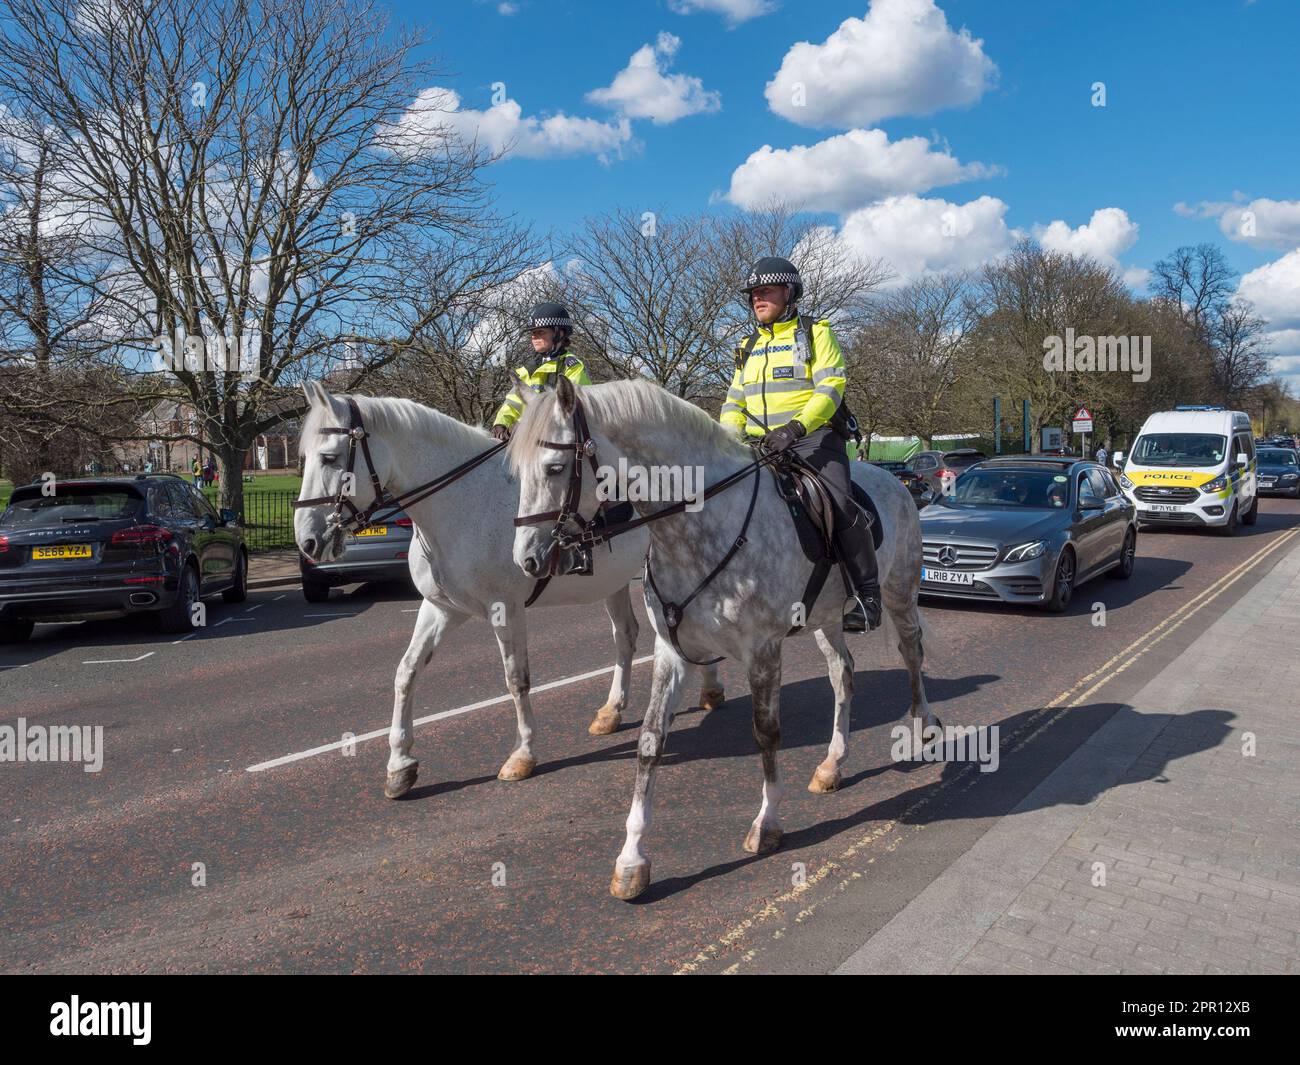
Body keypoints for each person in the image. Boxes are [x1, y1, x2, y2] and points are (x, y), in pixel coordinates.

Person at [721, 255, 881, 633]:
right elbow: (733, 402)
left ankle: (868, 595)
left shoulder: (816, 333)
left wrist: (795, 428)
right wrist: (726, 439)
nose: (757, 299)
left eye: (766, 292)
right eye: (753, 294)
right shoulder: (747, 346)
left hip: (812, 440)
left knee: (839, 503)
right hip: (761, 445)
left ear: (790, 294)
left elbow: (830, 388)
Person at [490, 302, 591, 441]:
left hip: (556, 441)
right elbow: (513, 402)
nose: (533, 337)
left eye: (540, 332)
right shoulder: (527, 370)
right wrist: (501, 423)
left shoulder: (572, 367)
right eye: (533, 333)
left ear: (559, 333)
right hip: (523, 439)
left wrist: (525, 426)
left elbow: (570, 410)